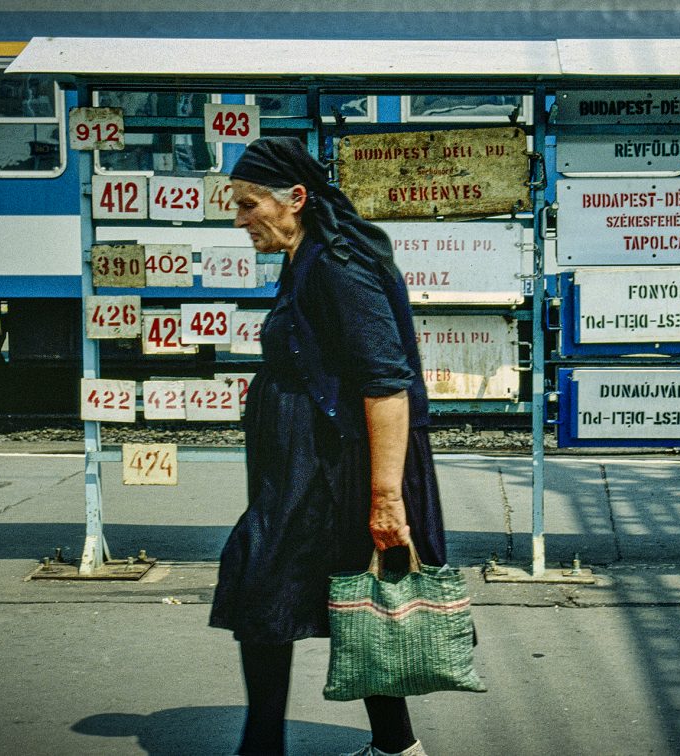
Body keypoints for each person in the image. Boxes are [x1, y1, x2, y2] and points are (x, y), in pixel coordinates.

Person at [209, 137, 448, 756]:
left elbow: (388, 384)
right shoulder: (308, 257)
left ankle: (263, 747)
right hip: (307, 464)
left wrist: (386, 499)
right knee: (350, 591)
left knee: (272, 583)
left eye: (247, 205)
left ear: (295, 198)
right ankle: (394, 746)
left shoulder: (337, 265)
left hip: (334, 468)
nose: (239, 220)